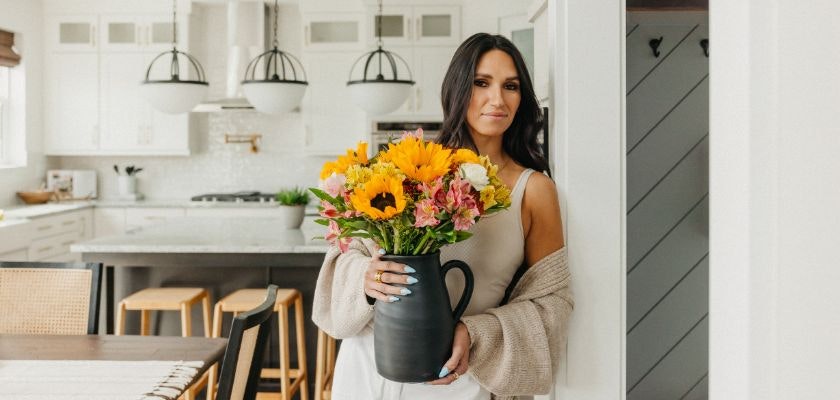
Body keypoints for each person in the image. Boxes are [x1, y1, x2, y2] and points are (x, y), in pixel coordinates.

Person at [312, 33, 573, 400]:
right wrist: (365, 280)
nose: (497, 99)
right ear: (457, 89)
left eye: (510, 86)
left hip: (461, 377)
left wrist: (476, 332)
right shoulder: (407, 168)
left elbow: (552, 303)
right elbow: (345, 255)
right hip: (370, 368)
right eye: (481, 83)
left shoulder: (533, 190)